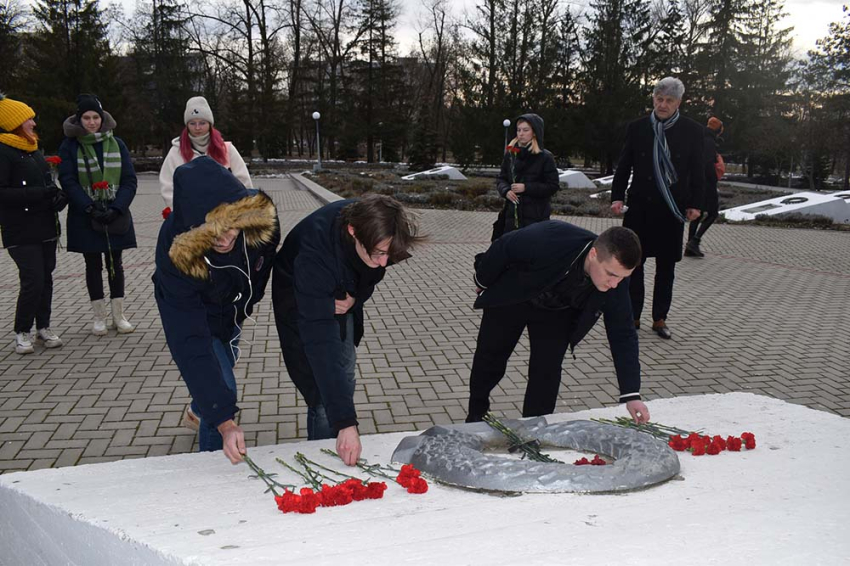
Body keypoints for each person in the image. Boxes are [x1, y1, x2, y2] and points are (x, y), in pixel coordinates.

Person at [272, 194, 423, 465]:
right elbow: (321, 344)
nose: (385, 262)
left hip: (342, 294)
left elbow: (372, 274)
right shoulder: (315, 255)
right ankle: (321, 456)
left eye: (389, 253)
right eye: (379, 253)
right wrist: (346, 423)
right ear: (353, 232)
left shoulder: (380, 230)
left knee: (346, 371)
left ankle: (338, 426)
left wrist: (356, 298)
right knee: (320, 386)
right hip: (300, 299)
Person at [153, 156, 279, 464]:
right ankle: (212, 465)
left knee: (222, 368)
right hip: (200, 315)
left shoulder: (260, 221)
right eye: (212, 232)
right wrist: (225, 421)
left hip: (233, 309)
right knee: (223, 390)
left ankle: (202, 404)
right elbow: (190, 340)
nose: (224, 239)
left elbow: (265, 263)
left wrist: (249, 299)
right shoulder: (176, 255)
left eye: (230, 226)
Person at [466, 221, 650, 425]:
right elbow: (504, 246)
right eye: (611, 274)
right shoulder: (550, 239)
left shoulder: (616, 281)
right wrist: (482, 281)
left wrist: (631, 394)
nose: (615, 284)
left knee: (547, 370)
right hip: (515, 297)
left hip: (558, 311)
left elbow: (623, 333)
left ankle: (534, 426)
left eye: (623, 277)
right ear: (593, 255)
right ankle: (476, 412)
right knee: (491, 355)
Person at [610, 77, 704, 340]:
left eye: (668, 101)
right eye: (659, 99)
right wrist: (617, 196)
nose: (662, 105)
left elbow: (699, 171)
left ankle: (660, 318)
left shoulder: (692, 131)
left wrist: (696, 203)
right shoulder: (638, 128)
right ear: (653, 99)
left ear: (678, 103)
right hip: (640, 206)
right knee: (633, 263)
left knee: (666, 267)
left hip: (672, 208)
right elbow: (624, 164)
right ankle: (633, 315)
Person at [58, 94, 137, 335]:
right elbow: (68, 180)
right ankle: (99, 316)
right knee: (92, 264)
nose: (92, 122)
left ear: (102, 119)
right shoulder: (69, 145)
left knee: (116, 263)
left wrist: (116, 207)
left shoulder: (117, 143)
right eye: (87, 118)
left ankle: (119, 314)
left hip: (115, 212)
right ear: (79, 119)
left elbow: (129, 180)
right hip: (85, 214)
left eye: (96, 117)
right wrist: (89, 207)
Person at [0, 93, 67, 354]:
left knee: (46, 279)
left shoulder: (33, 150)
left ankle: (44, 327)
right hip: (20, 230)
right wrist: (39, 194)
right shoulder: (4, 153)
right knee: (33, 280)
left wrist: (57, 196)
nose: (33, 124)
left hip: (45, 227)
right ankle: (22, 331)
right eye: (29, 120)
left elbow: (47, 185)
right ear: (14, 123)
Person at [159, 96, 252, 211]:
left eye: (202, 123)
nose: (197, 128)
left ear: (210, 124)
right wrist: (180, 213)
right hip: (190, 219)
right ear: (187, 125)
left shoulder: (227, 149)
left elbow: (244, 183)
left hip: (226, 220)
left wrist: (238, 212)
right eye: (192, 123)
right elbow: (167, 187)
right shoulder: (176, 152)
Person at [491, 113, 559, 241]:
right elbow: (501, 178)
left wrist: (526, 188)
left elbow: (553, 186)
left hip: (536, 218)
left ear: (534, 132)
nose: (521, 133)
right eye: (518, 130)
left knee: (531, 255)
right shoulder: (510, 154)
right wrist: (506, 191)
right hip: (511, 218)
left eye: (525, 130)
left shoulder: (545, 157)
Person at [685, 117, 724, 258]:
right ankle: (694, 241)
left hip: (697, 182)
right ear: (718, 129)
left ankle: (690, 246)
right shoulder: (709, 142)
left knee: (698, 212)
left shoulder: (701, 138)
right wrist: (713, 177)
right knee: (713, 213)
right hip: (706, 183)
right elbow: (706, 164)